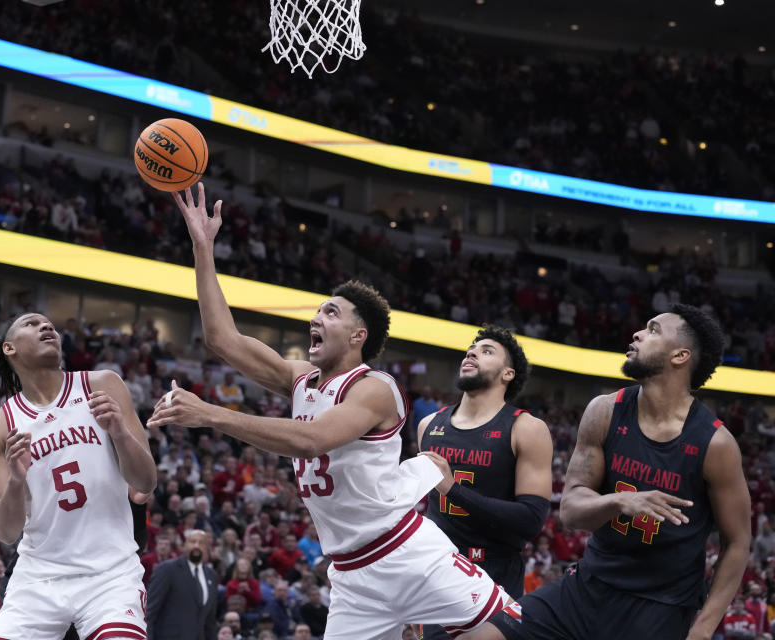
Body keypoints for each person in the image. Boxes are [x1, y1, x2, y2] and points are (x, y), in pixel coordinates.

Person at [151, 184, 510, 639]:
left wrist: (212, 414)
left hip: (405, 552)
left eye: (330, 312)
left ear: (358, 336)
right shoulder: (301, 379)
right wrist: (203, 249)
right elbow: (222, 340)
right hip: (352, 576)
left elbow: (311, 439)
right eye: (317, 311)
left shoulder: (375, 389)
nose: (315, 319)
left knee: (513, 631)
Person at [472, 305, 752, 640]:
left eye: (653, 330)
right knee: (482, 637)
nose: (637, 333)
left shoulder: (715, 443)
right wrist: (620, 501)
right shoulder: (605, 411)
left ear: (680, 356)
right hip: (588, 586)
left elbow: (737, 541)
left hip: (659, 607)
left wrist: (703, 629)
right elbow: (572, 512)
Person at [0, 313, 156, 640]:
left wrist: (120, 434)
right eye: (31, 323)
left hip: (110, 574)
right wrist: (16, 481)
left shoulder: (102, 385)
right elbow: (4, 531)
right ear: (9, 348)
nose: (47, 327)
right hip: (39, 577)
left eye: (49, 324)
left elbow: (146, 482)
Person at [415, 326, 552, 638]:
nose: (472, 352)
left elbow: (530, 521)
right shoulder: (427, 425)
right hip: (437, 567)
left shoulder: (526, 428)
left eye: (487, 350)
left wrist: (453, 489)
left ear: (507, 374)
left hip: (495, 571)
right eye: (471, 348)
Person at [146, 529, 219, 640]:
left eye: (201, 543)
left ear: (207, 548)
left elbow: (210, 621)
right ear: (184, 545)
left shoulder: (212, 575)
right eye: (192, 541)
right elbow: (150, 612)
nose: (196, 546)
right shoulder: (167, 569)